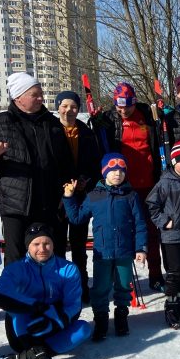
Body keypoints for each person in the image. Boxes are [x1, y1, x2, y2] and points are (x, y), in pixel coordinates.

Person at [0, 223, 91, 359]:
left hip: (54, 324)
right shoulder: (16, 269)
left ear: (53, 245)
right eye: (36, 244)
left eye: (47, 243)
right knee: (16, 312)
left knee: (83, 329)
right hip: (23, 329)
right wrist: (38, 307)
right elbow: (0, 295)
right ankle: (37, 358)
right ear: (28, 246)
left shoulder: (68, 269)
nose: (42, 248)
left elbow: (73, 304)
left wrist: (56, 319)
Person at [0, 72, 75, 265]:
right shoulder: (0, 123)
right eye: (35, 94)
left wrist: (66, 196)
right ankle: (16, 295)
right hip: (17, 205)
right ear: (18, 97)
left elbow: (65, 163)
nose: (41, 98)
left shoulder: (52, 123)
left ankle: (54, 294)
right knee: (16, 256)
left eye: (41, 93)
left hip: (51, 203)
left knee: (54, 253)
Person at [63, 153, 148, 341]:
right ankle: (100, 319)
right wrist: (69, 197)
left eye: (121, 170)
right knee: (100, 288)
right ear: (104, 172)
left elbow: (140, 223)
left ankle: (121, 317)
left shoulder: (131, 196)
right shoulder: (94, 195)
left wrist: (141, 248)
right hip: (103, 252)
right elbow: (77, 218)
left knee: (124, 286)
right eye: (113, 170)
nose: (117, 174)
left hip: (125, 252)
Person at [90, 82, 165, 291]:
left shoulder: (147, 116)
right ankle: (121, 279)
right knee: (123, 231)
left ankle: (156, 275)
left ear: (134, 102)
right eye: (119, 106)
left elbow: (161, 132)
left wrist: (163, 113)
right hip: (123, 185)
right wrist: (94, 121)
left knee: (150, 231)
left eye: (127, 106)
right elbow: (99, 140)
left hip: (150, 182)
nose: (123, 110)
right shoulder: (110, 119)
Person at [146, 141, 180, 330]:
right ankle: (170, 307)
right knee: (174, 273)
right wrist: (163, 221)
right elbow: (151, 205)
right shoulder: (165, 182)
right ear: (174, 161)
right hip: (172, 236)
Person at [55, 90, 101, 304]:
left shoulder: (86, 132)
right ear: (58, 107)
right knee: (57, 247)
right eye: (64, 106)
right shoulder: (51, 130)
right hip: (57, 197)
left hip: (80, 197)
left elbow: (94, 163)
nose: (69, 110)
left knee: (79, 246)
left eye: (73, 106)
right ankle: (60, 288)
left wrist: (85, 180)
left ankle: (81, 286)